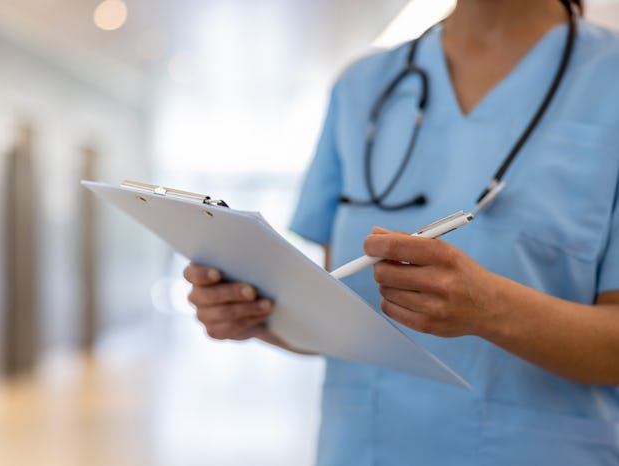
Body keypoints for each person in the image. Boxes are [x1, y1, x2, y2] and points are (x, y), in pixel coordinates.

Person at [184, 0, 619, 464]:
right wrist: (252, 313)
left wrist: (490, 308)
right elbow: (343, 317)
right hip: (361, 448)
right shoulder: (361, 88)